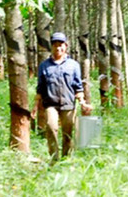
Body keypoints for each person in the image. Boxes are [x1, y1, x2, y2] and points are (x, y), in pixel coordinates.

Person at [35, 32, 91, 160]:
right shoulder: (44, 65)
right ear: (52, 47)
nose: (58, 48)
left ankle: (66, 158)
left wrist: (82, 101)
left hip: (68, 104)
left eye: (61, 45)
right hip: (50, 104)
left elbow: (78, 86)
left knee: (68, 133)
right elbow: (41, 87)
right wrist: (35, 106)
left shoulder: (73, 65)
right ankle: (54, 158)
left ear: (66, 46)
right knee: (51, 127)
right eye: (55, 45)